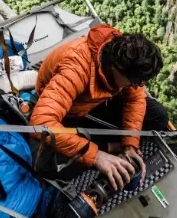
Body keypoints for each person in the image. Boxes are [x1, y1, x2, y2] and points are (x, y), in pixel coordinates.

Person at [29, 24, 168, 191]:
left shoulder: (125, 56)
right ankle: (106, 148)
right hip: (67, 111)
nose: (138, 86)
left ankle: (108, 148)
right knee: (52, 168)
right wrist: (96, 156)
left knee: (158, 116)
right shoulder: (76, 67)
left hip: (94, 102)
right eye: (134, 81)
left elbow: (135, 100)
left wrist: (130, 143)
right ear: (116, 69)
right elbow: (41, 124)